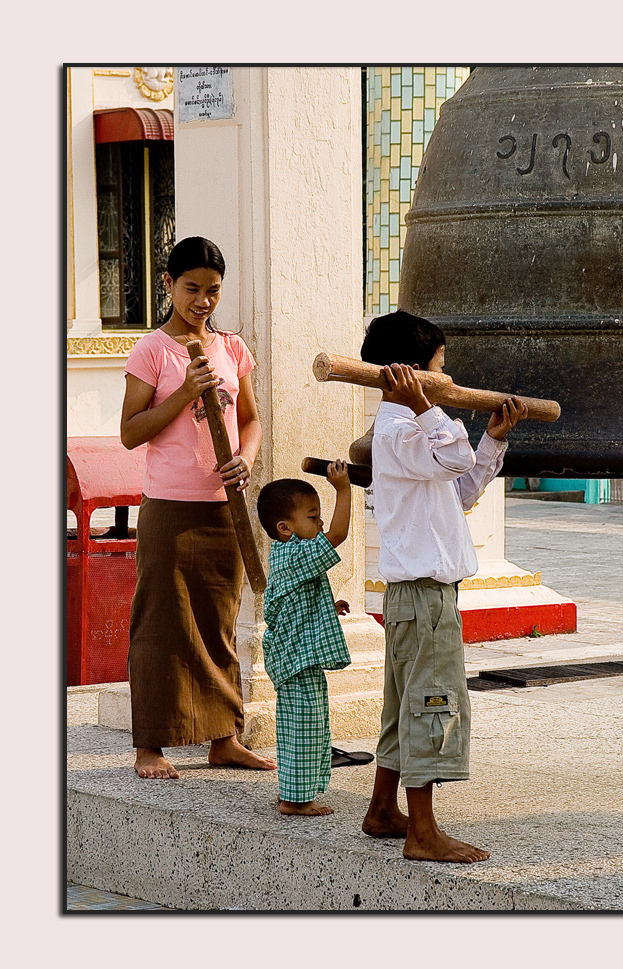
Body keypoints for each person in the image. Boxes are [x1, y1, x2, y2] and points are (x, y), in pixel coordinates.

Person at [359, 309, 528, 862]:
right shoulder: (400, 429)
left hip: (422, 598)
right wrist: (426, 405)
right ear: (413, 374)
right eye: (440, 370)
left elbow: (457, 491)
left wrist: (492, 441)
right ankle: (423, 832)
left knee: (402, 706)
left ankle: (384, 808)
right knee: (433, 705)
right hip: (424, 596)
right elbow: (449, 455)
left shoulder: (409, 432)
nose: (450, 382)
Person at [120, 236, 277, 779]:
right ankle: (150, 745)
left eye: (212, 290)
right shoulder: (153, 352)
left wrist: (246, 459)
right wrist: (185, 392)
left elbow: (251, 420)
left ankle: (223, 738)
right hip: (168, 510)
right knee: (160, 624)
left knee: (219, 620)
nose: (202, 301)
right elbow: (130, 432)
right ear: (168, 285)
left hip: (224, 509)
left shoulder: (232, 348)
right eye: (191, 289)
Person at [257, 466, 352, 816]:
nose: (322, 524)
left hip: (299, 659)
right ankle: (295, 801)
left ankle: (296, 794)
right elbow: (339, 534)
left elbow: (297, 599)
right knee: (304, 728)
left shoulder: (290, 554)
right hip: (298, 661)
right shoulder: (296, 553)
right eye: (313, 516)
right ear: (285, 527)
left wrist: (329, 605)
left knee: (307, 726)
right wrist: (343, 489)